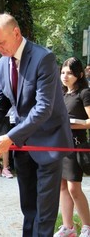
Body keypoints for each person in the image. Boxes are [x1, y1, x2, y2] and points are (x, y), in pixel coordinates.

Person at [0, 13, 73, 236]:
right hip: (23, 146)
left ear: (16, 33)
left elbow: (44, 107)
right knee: (29, 208)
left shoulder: (44, 58)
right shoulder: (3, 62)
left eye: (0, 42)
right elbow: (2, 100)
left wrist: (10, 137)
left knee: (44, 211)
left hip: (49, 143)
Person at [54, 57, 90, 237]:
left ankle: (87, 227)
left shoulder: (84, 93)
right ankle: (68, 227)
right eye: (62, 72)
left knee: (74, 188)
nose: (65, 76)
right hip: (60, 144)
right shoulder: (60, 94)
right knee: (61, 186)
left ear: (79, 74)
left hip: (75, 145)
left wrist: (73, 124)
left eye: (69, 73)